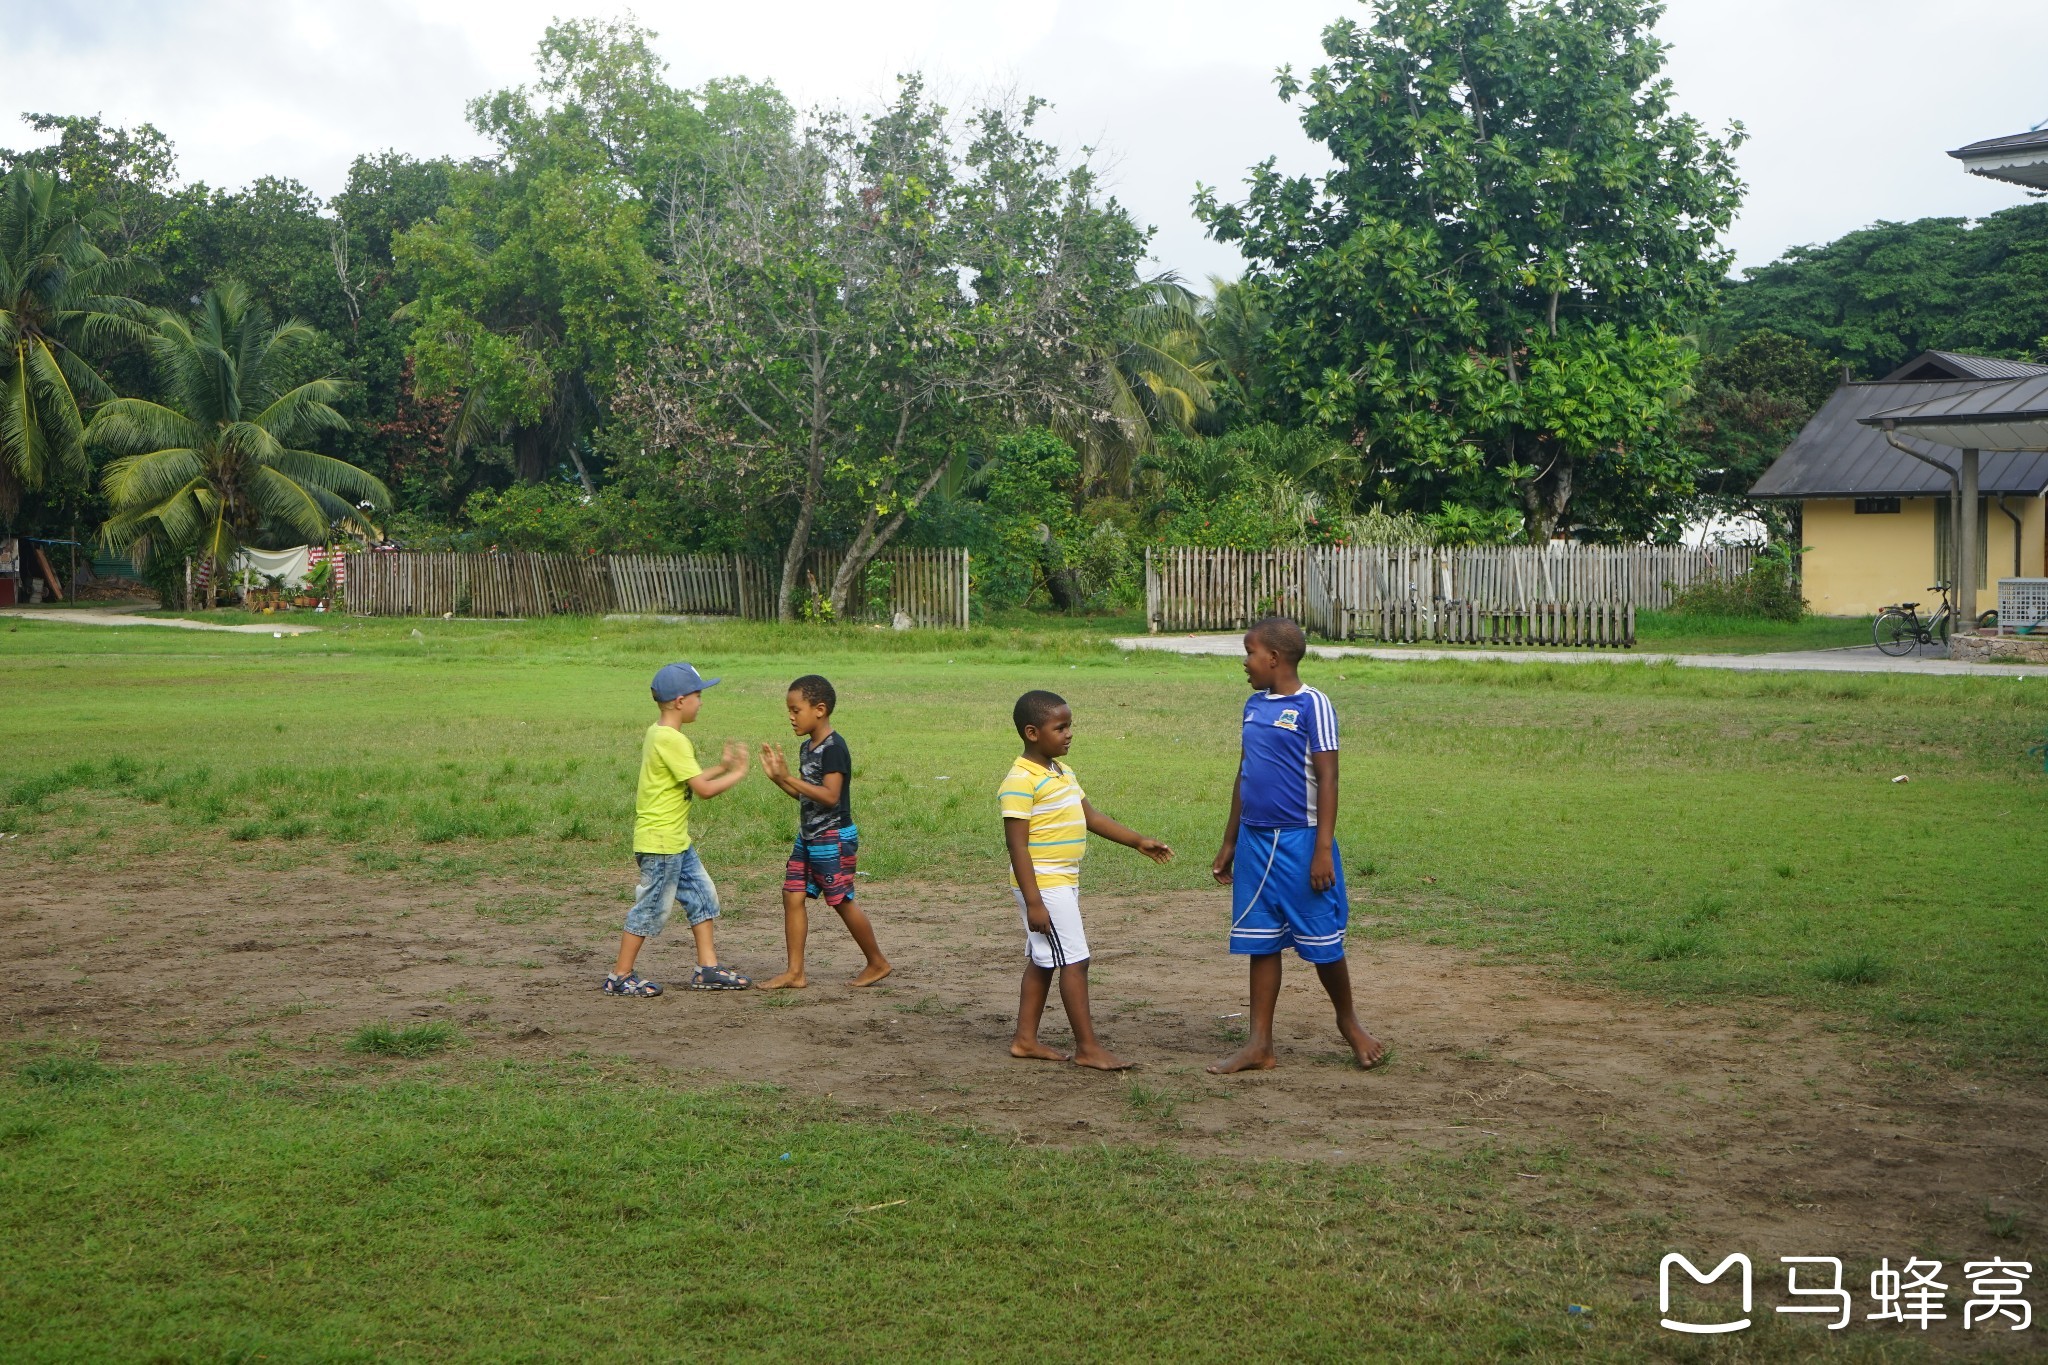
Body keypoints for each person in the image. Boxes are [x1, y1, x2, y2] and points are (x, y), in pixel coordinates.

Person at [1208, 617, 1385, 1072]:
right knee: (1262, 942)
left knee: (1322, 941)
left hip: (1300, 841)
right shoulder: (1252, 705)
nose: (1245, 663)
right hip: (1254, 841)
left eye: (1249, 653)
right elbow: (1244, 774)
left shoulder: (1313, 705)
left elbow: (1329, 778)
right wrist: (1230, 840)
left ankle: (1350, 1024)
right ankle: (1259, 1044)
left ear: (1274, 658)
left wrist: (1322, 848)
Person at [1001, 689, 1173, 1070]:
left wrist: (1137, 842)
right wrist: (1034, 901)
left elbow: (1091, 818)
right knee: (1076, 960)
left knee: (1045, 961)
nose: (1068, 734)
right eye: (1059, 728)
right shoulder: (1019, 781)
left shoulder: (1061, 772)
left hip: (1060, 880)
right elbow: (1017, 847)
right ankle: (1087, 1048)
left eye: (1069, 726)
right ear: (1032, 732)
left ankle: (1025, 1040)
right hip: (1044, 883)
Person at [604, 661, 753, 996]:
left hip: (675, 841)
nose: (702, 702)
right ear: (679, 700)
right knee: (651, 907)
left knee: (702, 896)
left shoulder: (659, 733)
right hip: (661, 844)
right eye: (698, 695)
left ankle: (707, 969)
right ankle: (620, 976)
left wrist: (721, 766)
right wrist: (738, 773)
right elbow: (703, 789)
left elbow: (690, 777)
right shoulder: (672, 740)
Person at [758, 674, 893, 990]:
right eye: (789, 711)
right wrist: (780, 780)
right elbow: (807, 795)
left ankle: (877, 962)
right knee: (792, 895)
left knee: (841, 900)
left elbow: (830, 796)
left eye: (796, 710)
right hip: (808, 836)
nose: (791, 717)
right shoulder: (807, 747)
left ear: (819, 709)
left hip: (832, 837)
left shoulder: (834, 748)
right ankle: (795, 972)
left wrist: (789, 777)